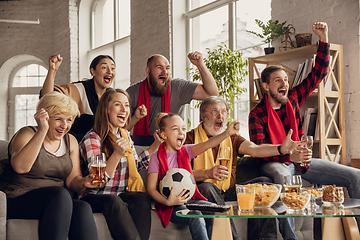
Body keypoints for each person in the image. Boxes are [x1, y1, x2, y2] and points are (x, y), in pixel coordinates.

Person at [249, 22, 360, 239]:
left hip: (302, 161)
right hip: (275, 163)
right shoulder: (257, 114)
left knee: (355, 175)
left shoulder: (293, 98)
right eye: (278, 80)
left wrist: (324, 38)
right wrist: (287, 153)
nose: (285, 83)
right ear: (265, 86)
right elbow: (260, 149)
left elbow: (318, 73)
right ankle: (291, 237)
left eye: (286, 79)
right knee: (285, 179)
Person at [185, 96, 301, 240]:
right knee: (207, 187)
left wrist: (280, 149)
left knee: (264, 183)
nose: (220, 115)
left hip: (228, 191)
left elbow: (255, 149)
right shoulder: (189, 138)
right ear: (202, 115)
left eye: (223, 111)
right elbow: (183, 174)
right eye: (214, 111)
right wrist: (207, 173)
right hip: (202, 193)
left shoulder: (233, 138)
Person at [1, 92, 99, 240]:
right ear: (45, 118)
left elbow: (73, 181)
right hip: (17, 199)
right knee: (59, 195)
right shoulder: (27, 134)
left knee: (82, 207)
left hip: (58, 202)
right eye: (58, 119)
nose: (64, 125)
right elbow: (21, 167)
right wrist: (42, 131)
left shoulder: (70, 141)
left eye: (69, 120)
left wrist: (84, 182)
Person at [79, 88, 162, 240]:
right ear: (106, 109)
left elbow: (135, 165)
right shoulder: (92, 138)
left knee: (140, 198)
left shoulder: (124, 135)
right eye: (118, 104)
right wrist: (116, 154)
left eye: (127, 105)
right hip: (95, 196)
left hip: (118, 194)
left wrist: (156, 145)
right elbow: (98, 180)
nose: (125, 109)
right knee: (113, 200)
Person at [147, 112, 242, 240]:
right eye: (175, 129)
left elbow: (208, 144)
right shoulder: (156, 157)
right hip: (170, 205)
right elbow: (151, 188)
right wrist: (168, 201)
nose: (181, 132)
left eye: (183, 128)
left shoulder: (186, 150)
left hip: (190, 201)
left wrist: (227, 133)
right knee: (195, 216)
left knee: (217, 209)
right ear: (163, 135)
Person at [126, 51, 219, 142]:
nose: (165, 71)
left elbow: (212, 94)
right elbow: (122, 129)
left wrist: (200, 65)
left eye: (167, 68)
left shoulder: (178, 87)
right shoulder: (132, 92)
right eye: (159, 67)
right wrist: (136, 117)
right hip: (141, 147)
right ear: (148, 70)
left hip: (172, 148)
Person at [41, 54, 116, 142]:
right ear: (93, 72)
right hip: (74, 145)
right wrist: (52, 70)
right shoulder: (78, 89)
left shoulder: (113, 95)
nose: (109, 71)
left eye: (112, 68)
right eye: (104, 67)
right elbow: (48, 97)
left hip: (101, 146)